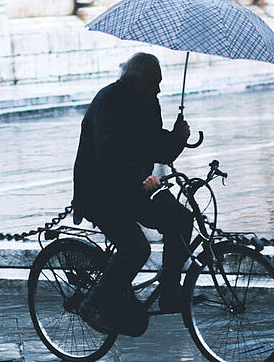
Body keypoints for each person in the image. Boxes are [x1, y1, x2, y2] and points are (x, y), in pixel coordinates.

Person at [72, 52, 193, 333]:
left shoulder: (150, 103)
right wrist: (142, 176)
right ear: (135, 80)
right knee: (136, 248)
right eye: (154, 82)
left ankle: (169, 294)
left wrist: (177, 136)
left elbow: (155, 146)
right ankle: (94, 302)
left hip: (136, 187)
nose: (159, 89)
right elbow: (108, 151)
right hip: (101, 191)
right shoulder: (107, 101)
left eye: (160, 82)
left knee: (181, 220)